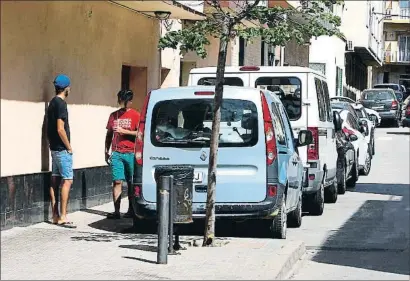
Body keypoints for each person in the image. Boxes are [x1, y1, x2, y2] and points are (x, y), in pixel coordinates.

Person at [105, 89, 140, 219]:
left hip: (131, 152)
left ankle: (131, 209)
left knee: (131, 182)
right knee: (117, 181)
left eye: (126, 101)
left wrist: (124, 131)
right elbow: (109, 134)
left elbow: (140, 133)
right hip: (117, 152)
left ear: (130, 101)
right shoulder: (113, 116)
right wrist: (106, 150)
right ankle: (116, 211)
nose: (124, 103)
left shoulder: (136, 115)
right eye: (121, 100)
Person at [47, 74, 76, 228]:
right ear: (66, 88)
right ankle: (63, 216)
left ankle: (55, 215)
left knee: (55, 179)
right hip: (62, 149)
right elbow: (60, 128)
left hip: (53, 148)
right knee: (67, 180)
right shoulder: (61, 104)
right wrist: (69, 147)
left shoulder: (52, 103)